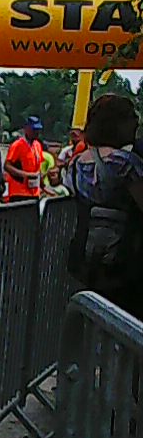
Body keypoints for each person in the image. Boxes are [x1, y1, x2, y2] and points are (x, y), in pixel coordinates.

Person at [67, 93, 143, 316]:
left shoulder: (76, 163)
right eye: (131, 117)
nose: (136, 122)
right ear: (117, 123)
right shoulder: (125, 163)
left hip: (85, 256)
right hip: (124, 258)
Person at [3, 116, 45, 199]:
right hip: (19, 192)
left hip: (34, 191)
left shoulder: (37, 145)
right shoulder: (17, 145)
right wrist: (25, 175)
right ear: (26, 129)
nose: (36, 132)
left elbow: (38, 168)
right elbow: (7, 166)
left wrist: (42, 185)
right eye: (34, 129)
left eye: (38, 130)